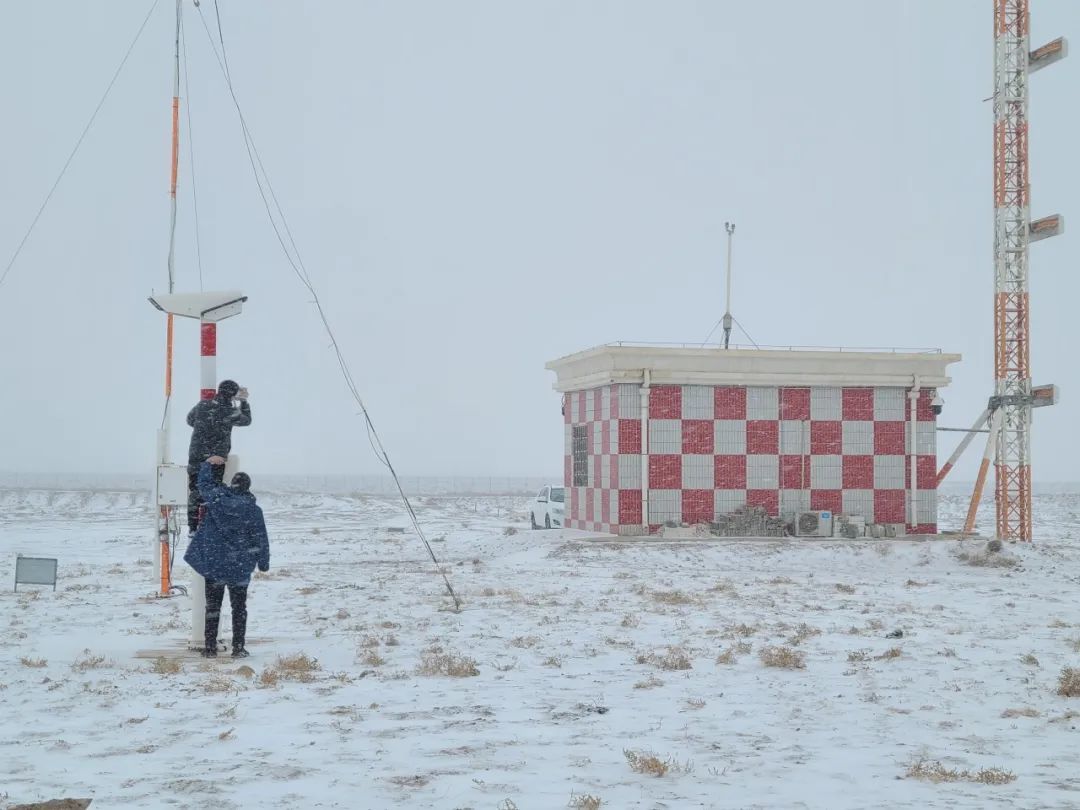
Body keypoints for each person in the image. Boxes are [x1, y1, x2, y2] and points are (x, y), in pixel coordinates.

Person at [183, 456, 270, 658]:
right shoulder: (254, 511)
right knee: (239, 608)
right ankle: (238, 648)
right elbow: (261, 538)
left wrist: (208, 464)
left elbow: (203, 484)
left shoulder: (217, 499)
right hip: (240, 567)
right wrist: (263, 563)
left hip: (215, 565)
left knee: (212, 608)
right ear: (248, 488)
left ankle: (210, 648)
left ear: (232, 484)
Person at [186, 380, 252, 532]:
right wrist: (243, 401)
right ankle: (209, 528)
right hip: (216, 458)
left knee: (195, 491)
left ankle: (192, 529)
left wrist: (204, 427)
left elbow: (190, 420)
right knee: (213, 493)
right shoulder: (230, 412)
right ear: (232, 394)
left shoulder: (202, 405)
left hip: (196, 455)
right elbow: (247, 420)